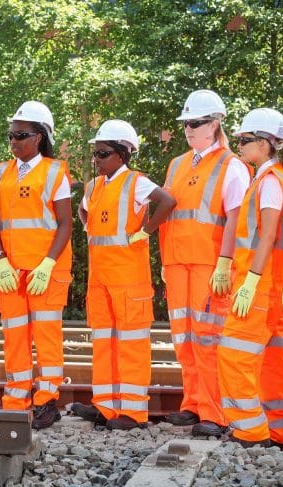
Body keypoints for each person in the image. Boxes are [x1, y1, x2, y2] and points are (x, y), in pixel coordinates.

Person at [70, 120, 176, 430]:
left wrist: (146, 231)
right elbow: (84, 210)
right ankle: (105, 406)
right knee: (104, 341)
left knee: (131, 343)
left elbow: (168, 201)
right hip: (101, 276)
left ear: (121, 154)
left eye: (102, 154)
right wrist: (89, 224)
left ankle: (132, 413)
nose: (97, 160)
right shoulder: (95, 186)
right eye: (95, 154)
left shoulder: (136, 183)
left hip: (129, 277)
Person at [159, 89, 251, 437]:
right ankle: (193, 404)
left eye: (195, 123)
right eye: (186, 124)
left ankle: (215, 412)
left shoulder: (232, 166)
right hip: (177, 264)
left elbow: (235, 219)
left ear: (215, 125)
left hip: (210, 267)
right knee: (184, 337)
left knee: (209, 339)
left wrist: (225, 262)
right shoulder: (178, 164)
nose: (188, 129)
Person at [216, 108, 283, 448]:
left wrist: (250, 281)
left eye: (246, 139)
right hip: (270, 283)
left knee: (233, 355)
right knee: (274, 360)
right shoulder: (271, 179)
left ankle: (250, 430)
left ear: (267, 145)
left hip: (259, 284)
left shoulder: (270, 182)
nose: (240, 144)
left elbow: (265, 236)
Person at [0, 100, 73, 429]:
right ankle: (16, 399)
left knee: (47, 334)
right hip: (11, 269)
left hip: (43, 271)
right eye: (10, 134)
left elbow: (65, 223)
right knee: (14, 335)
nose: (13, 140)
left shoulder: (54, 172)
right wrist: (0, 261)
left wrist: (48, 264)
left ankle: (47, 400)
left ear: (39, 137)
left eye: (20, 134)